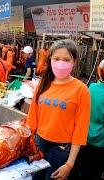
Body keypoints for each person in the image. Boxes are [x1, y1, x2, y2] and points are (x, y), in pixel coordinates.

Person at [26, 39, 91, 180]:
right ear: (50, 60)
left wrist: (69, 165)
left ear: (74, 62)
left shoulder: (81, 90)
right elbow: (32, 119)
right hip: (39, 143)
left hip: (62, 149)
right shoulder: (43, 83)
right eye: (56, 58)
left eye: (66, 59)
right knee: (35, 178)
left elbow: (81, 130)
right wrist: (29, 146)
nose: (61, 63)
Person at [71, 59, 104, 180]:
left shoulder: (91, 87)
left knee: (77, 166)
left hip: (84, 135)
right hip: (101, 141)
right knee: (93, 172)